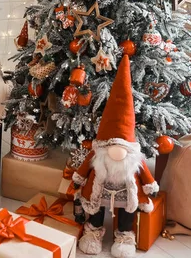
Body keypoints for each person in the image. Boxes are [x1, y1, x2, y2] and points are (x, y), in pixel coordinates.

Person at [73, 55, 158, 258]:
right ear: (104, 145)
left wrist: (150, 186)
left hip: (125, 191)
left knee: (128, 212)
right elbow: (84, 168)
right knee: (95, 210)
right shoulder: (98, 153)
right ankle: (93, 232)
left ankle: (124, 235)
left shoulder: (134, 158)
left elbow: (145, 173)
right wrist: (78, 179)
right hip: (99, 189)